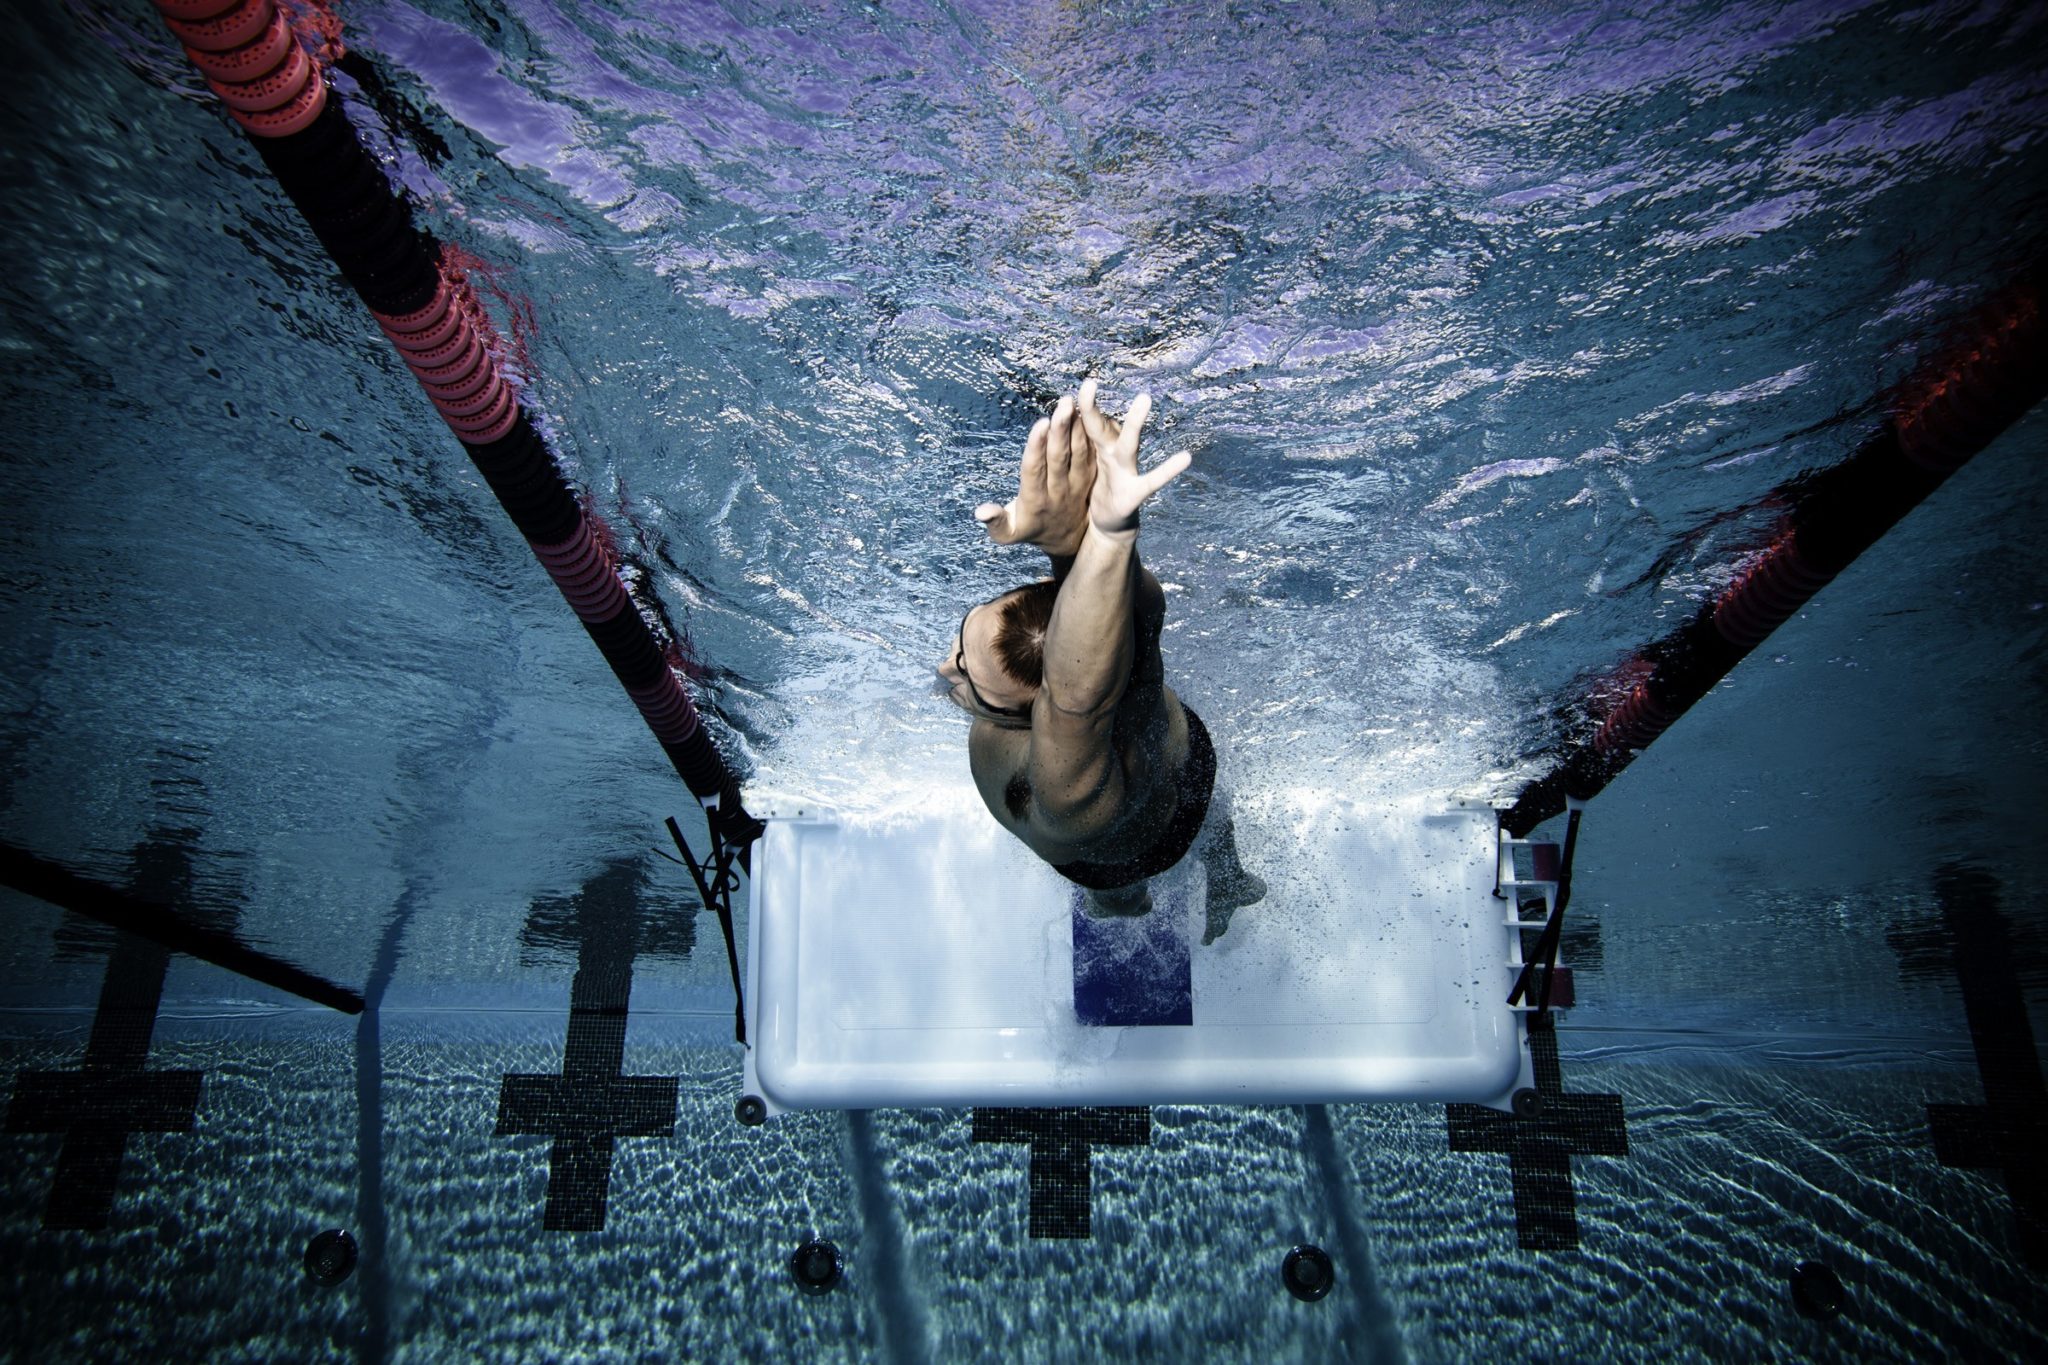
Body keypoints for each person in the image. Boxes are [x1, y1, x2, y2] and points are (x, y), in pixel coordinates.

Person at [936, 380, 1265, 943]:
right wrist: (1074, 546)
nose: (946, 668)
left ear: (1033, 706)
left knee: (1113, 872)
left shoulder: (1068, 788)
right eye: (961, 648)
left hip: (1130, 843)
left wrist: (1106, 538)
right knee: (1187, 768)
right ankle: (1228, 877)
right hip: (1176, 757)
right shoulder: (1128, 653)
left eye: (967, 674)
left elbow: (1076, 703)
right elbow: (1118, 611)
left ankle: (1131, 900)